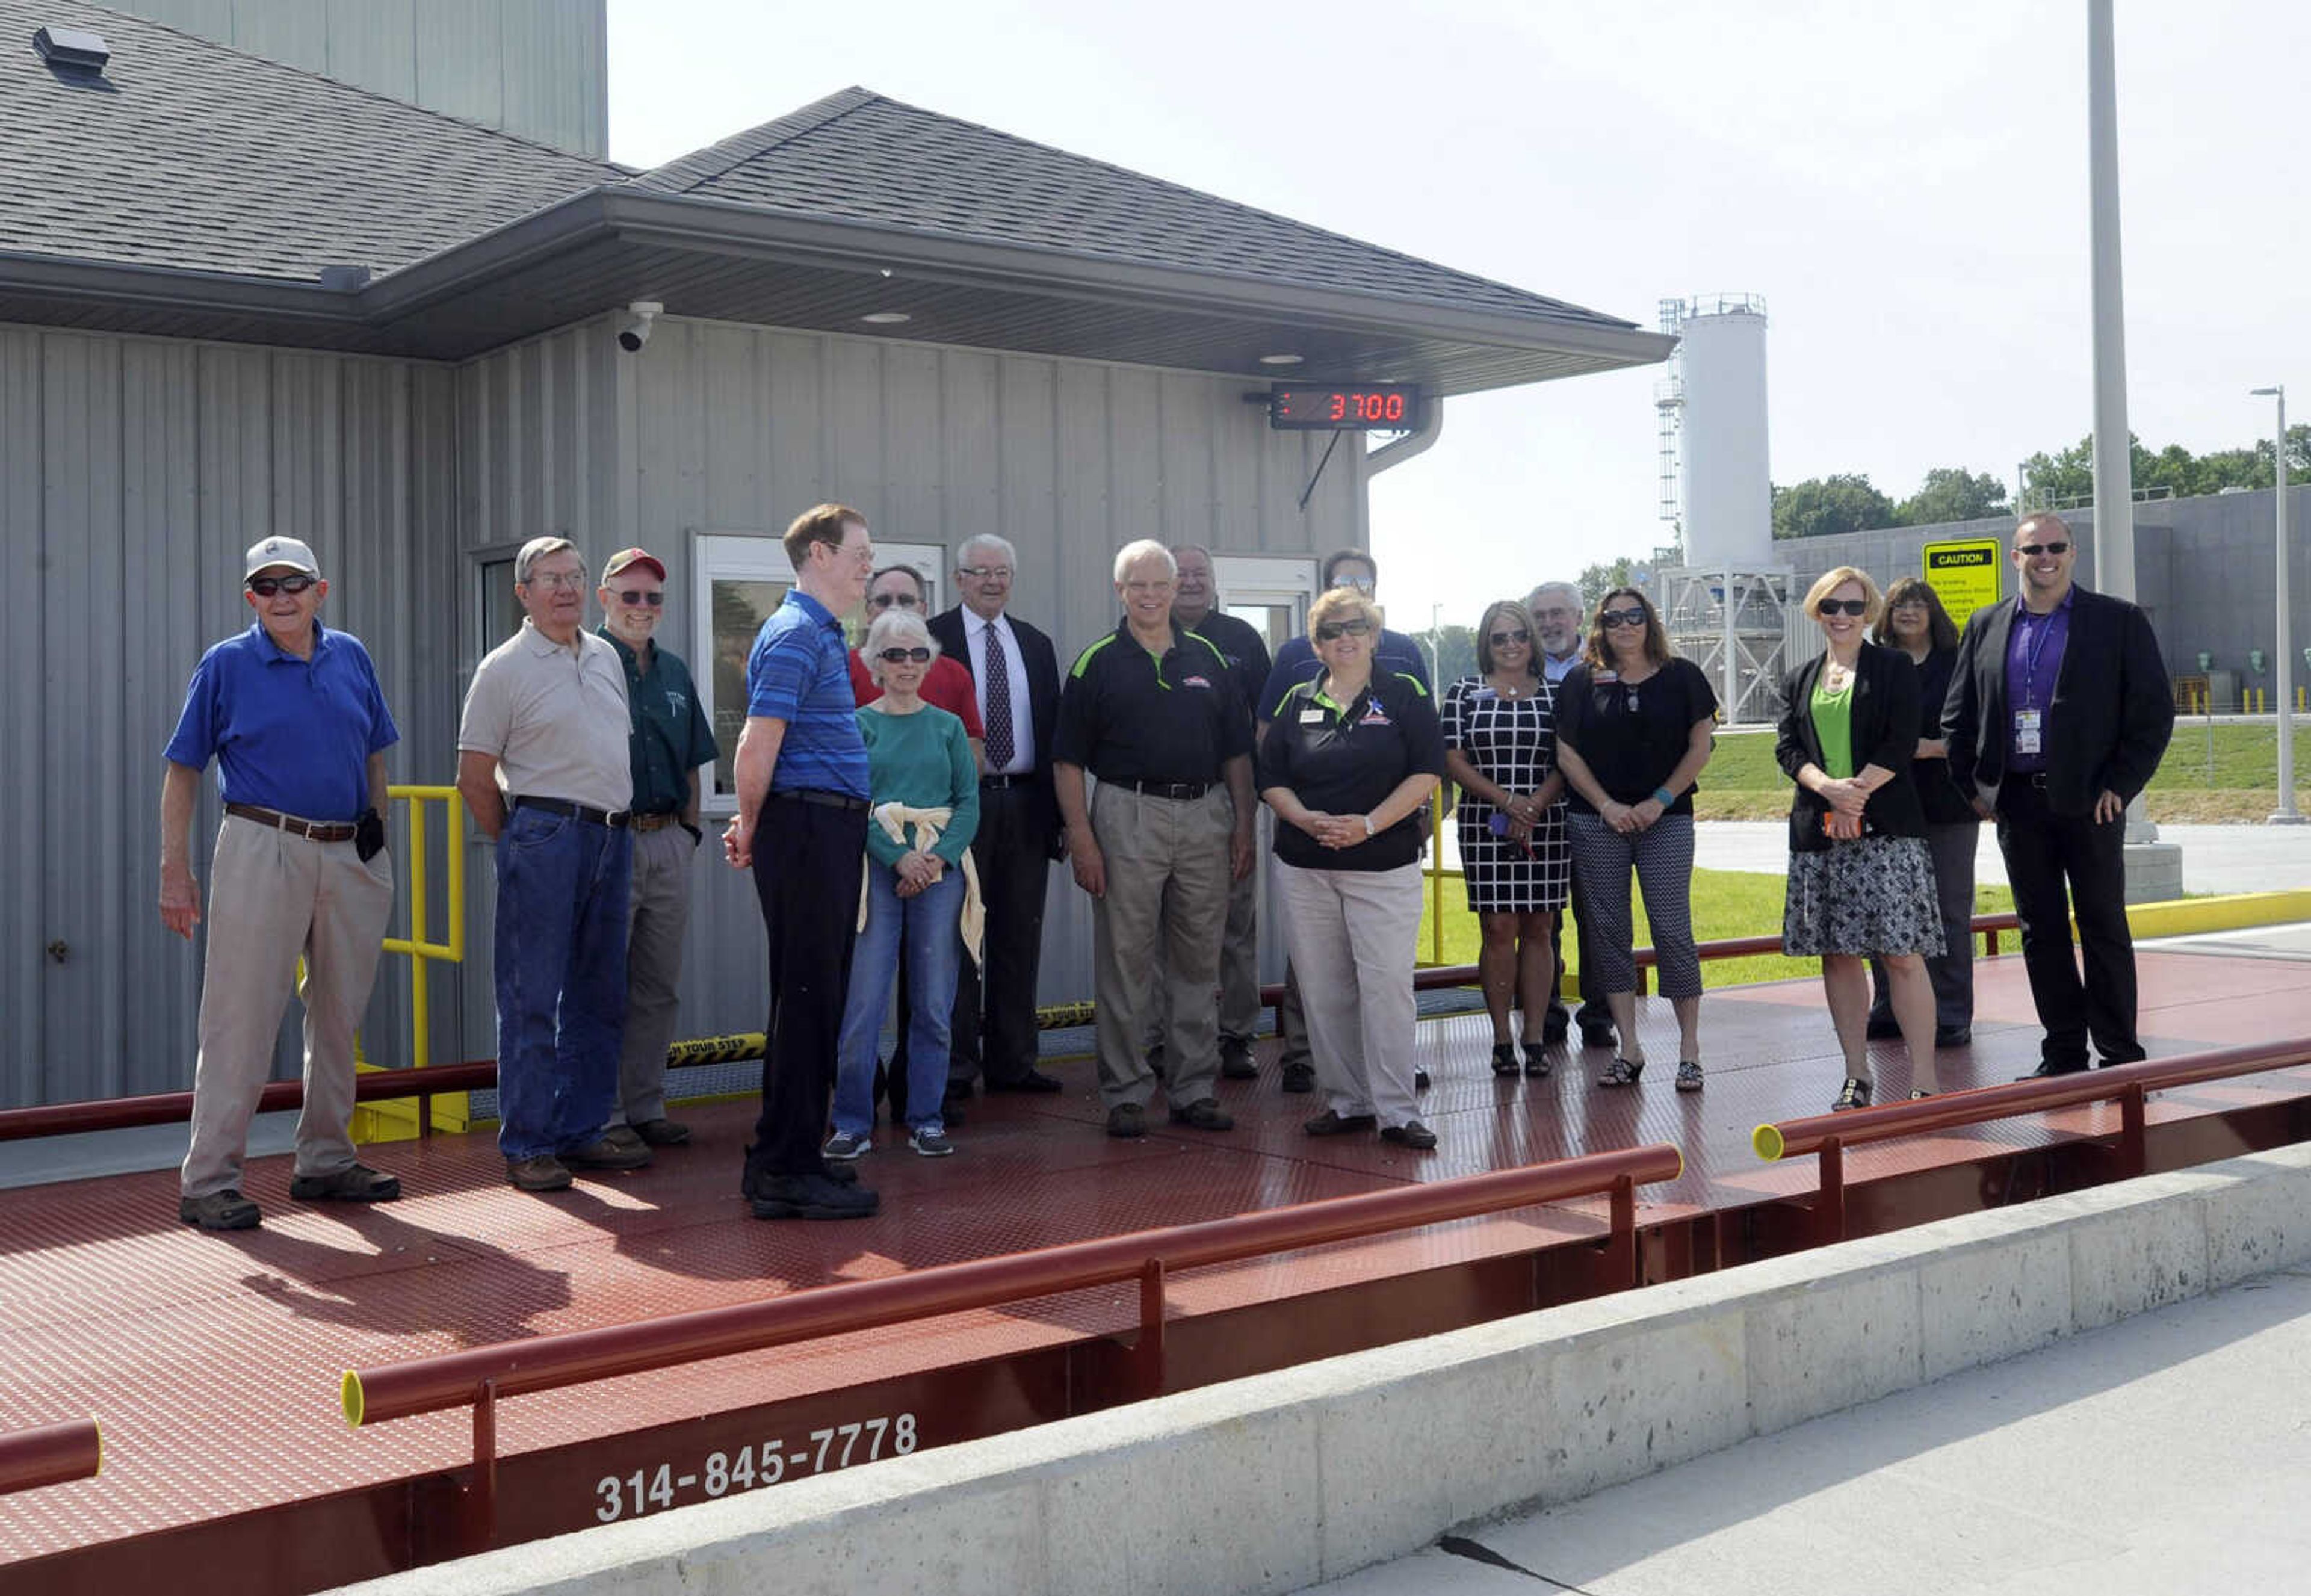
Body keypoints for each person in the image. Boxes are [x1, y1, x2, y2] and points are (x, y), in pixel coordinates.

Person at [161, 536, 401, 1231]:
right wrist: (175, 872)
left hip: (349, 850)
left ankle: (325, 1161)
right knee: (239, 1017)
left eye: (293, 582)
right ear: (251, 600)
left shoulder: (351, 655)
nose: (281, 597)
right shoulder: (227, 665)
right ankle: (209, 1181)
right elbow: (183, 770)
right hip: (263, 844)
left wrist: (376, 830)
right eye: (266, 587)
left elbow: (374, 751)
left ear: (320, 590)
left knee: (339, 1014)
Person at [1943, 512, 2175, 1078]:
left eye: (2056, 547)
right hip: (2018, 805)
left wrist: (2121, 786)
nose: (2045, 558)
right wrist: (1977, 789)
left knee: (2102, 927)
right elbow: (1957, 717)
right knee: (2039, 931)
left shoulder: (2115, 621)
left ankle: (2121, 1054)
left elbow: (2151, 715)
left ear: (2073, 554)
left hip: (2092, 801)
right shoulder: (1986, 624)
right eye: (2032, 549)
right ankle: (2064, 1052)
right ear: (2015, 557)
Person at [457, 538, 654, 1193]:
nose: (566, 589)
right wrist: (519, 840)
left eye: (574, 576)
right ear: (523, 593)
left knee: (600, 996)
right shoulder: (502, 669)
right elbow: (475, 777)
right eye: (551, 579)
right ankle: (529, 1142)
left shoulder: (605, 657)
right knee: (532, 996)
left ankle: (581, 1128)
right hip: (545, 832)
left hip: (611, 836)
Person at [1054, 539, 1255, 1139]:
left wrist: (1243, 825)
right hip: (1126, 813)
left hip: (1204, 816)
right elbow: (1067, 763)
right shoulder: (1096, 663)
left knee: (1198, 959)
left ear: (1176, 590)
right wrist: (1083, 840)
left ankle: (1193, 1088)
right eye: (1136, 585)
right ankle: (1126, 1093)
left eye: (1158, 584)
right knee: (1126, 958)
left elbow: (1238, 754)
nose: (1149, 595)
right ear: (1120, 591)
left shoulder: (1210, 659)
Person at [723, 503, 882, 1219]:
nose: (868, 565)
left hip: (825, 828)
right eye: (860, 552)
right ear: (819, 554)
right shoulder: (794, 634)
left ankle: (790, 1154)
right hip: (809, 827)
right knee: (809, 997)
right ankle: (785, 1168)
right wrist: (752, 826)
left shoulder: (817, 635)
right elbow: (758, 741)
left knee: (816, 997)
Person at [1259, 586, 1448, 1148]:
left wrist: (1368, 824)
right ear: (1316, 645)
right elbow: (1273, 779)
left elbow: (1428, 770)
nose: (1344, 638)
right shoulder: (1297, 700)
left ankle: (1398, 1110)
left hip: (1382, 866)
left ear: (1373, 635)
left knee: (1387, 986)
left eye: (1355, 627)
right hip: (1307, 866)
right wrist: (1308, 819)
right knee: (1322, 988)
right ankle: (1348, 1102)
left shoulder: (1405, 693)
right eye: (1331, 631)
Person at [1777, 568, 1947, 1110]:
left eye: (1854, 607)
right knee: (1838, 955)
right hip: (1820, 834)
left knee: (1901, 954)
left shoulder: (1893, 668)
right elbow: (1788, 749)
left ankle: (1924, 1079)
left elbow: (1901, 741)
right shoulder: (1801, 677)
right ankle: (1857, 1075)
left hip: (1888, 831)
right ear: (1817, 611)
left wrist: (1856, 797)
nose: (1843, 617)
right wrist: (1828, 790)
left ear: (1869, 612)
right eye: (1832, 607)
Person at [825, 607, 981, 1160]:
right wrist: (898, 858)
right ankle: (851, 1121)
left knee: (935, 1002)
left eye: (918, 653)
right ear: (875, 663)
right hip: (876, 872)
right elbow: (854, 804)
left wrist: (936, 859)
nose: (908, 664)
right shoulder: (858, 724)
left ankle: (926, 1117)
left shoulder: (947, 726)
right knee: (864, 1002)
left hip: (940, 872)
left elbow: (968, 801)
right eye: (895, 654)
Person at [1551, 587, 1716, 1092]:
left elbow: (1701, 743)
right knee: (1608, 934)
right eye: (1613, 618)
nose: (1624, 626)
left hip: (1665, 819)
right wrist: (1607, 806)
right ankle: (1630, 1049)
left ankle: (1689, 1052)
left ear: (1651, 622)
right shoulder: (1582, 681)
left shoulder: (1683, 676)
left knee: (1671, 928)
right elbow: (1567, 752)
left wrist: (1659, 800)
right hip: (1597, 820)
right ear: (1600, 625)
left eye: (1634, 616)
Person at [927, 534, 1066, 1110]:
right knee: (957, 940)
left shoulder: (1035, 643)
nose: (991, 581)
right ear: (958, 579)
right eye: (979, 572)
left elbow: (1056, 732)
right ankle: (956, 1068)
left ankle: (1014, 1061)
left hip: (1026, 804)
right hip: (959, 807)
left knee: (1017, 935)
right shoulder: (931, 640)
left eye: (1002, 572)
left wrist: (1058, 819)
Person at [593, 547, 718, 1154]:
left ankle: (646, 1105)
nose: (642, 608)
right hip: (605, 843)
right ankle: (605, 1114)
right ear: (604, 600)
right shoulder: (582, 664)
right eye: (630, 596)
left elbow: (694, 760)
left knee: (657, 986)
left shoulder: (674, 671)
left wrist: (690, 833)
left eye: (653, 598)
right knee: (601, 984)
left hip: (667, 838)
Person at [1147, 543, 1274, 1081]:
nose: (1193, 583)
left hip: (1227, 799)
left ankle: (1235, 1036)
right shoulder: (1143, 635)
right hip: (1156, 802)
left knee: (1234, 925)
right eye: (1184, 575)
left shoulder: (1242, 641)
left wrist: (1252, 809)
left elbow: (1266, 724)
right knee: (1159, 929)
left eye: (1201, 574)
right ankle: (1159, 1039)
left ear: (1215, 581)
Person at [1442, 599, 1569, 1077]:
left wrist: (1533, 804)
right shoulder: (1464, 691)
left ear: (1531, 641)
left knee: (1540, 927)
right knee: (1498, 928)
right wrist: (1506, 801)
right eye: (1500, 638)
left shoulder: (1557, 694)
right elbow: (1453, 759)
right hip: (1485, 822)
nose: (1511, 645)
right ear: (1486, 645)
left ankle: (1535, 1036)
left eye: (1519, 635)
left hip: (1547, 821)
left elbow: (1568, 759)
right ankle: (1501, 1039)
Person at [1864, 577, 1979, 1048]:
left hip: (1947, 804)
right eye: (1898, 606)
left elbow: (1977, 727)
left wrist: (1931, 748)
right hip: (1887, 805)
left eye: (1917, 604)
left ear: (1934, 612)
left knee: (1949, 910)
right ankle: (1890, 1007)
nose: (1908, 612)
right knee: (1886, 910)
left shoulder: (1958, 664)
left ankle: (1951, 1014)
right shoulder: (1876, 666)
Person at [1527, 580, 1615, 1052]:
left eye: (1558, 614)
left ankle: (1599, 1014)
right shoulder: (1522, 665)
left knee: (1596, 915)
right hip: (1536, 810)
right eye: (1540, 616)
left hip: (1593, 806)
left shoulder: (1606, 663)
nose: (1548, 624)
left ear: (1579, 618)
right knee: (1542, 920)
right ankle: (1548, 1014)